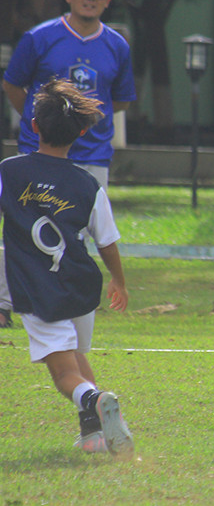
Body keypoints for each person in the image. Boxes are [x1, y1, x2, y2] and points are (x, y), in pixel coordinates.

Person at [0, 0, 136, 328]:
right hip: (38, 151)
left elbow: (120, 99)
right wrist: (39, 128)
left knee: (84, 236)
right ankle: (6, 300)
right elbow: (13, 84)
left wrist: (83, 125)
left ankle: (68, 301)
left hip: (91, 156)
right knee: (20, 227)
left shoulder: (117, 46)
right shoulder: (39, 38)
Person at [0, 78, 133, 457]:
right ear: (82, 132)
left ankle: (94, 399)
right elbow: (106, 241)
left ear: (34, 125)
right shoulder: (87, 184)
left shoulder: (10, 172)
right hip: (79, 286)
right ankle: (93, 436)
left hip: (39, 291)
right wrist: (119, 282)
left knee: (64, 375)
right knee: (75, 355)